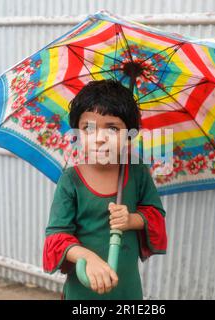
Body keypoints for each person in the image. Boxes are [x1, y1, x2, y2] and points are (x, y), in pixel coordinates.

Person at [42, 79, 167, 300]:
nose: (99, 138)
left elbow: (155, 215)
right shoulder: (71, 181)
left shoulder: (136, 171)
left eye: (112, 128)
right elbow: (57, 237)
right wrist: (88, 258)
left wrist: (131, 220)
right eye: (88, 128)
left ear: (130, 135)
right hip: (83, 289)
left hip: (126, 289)